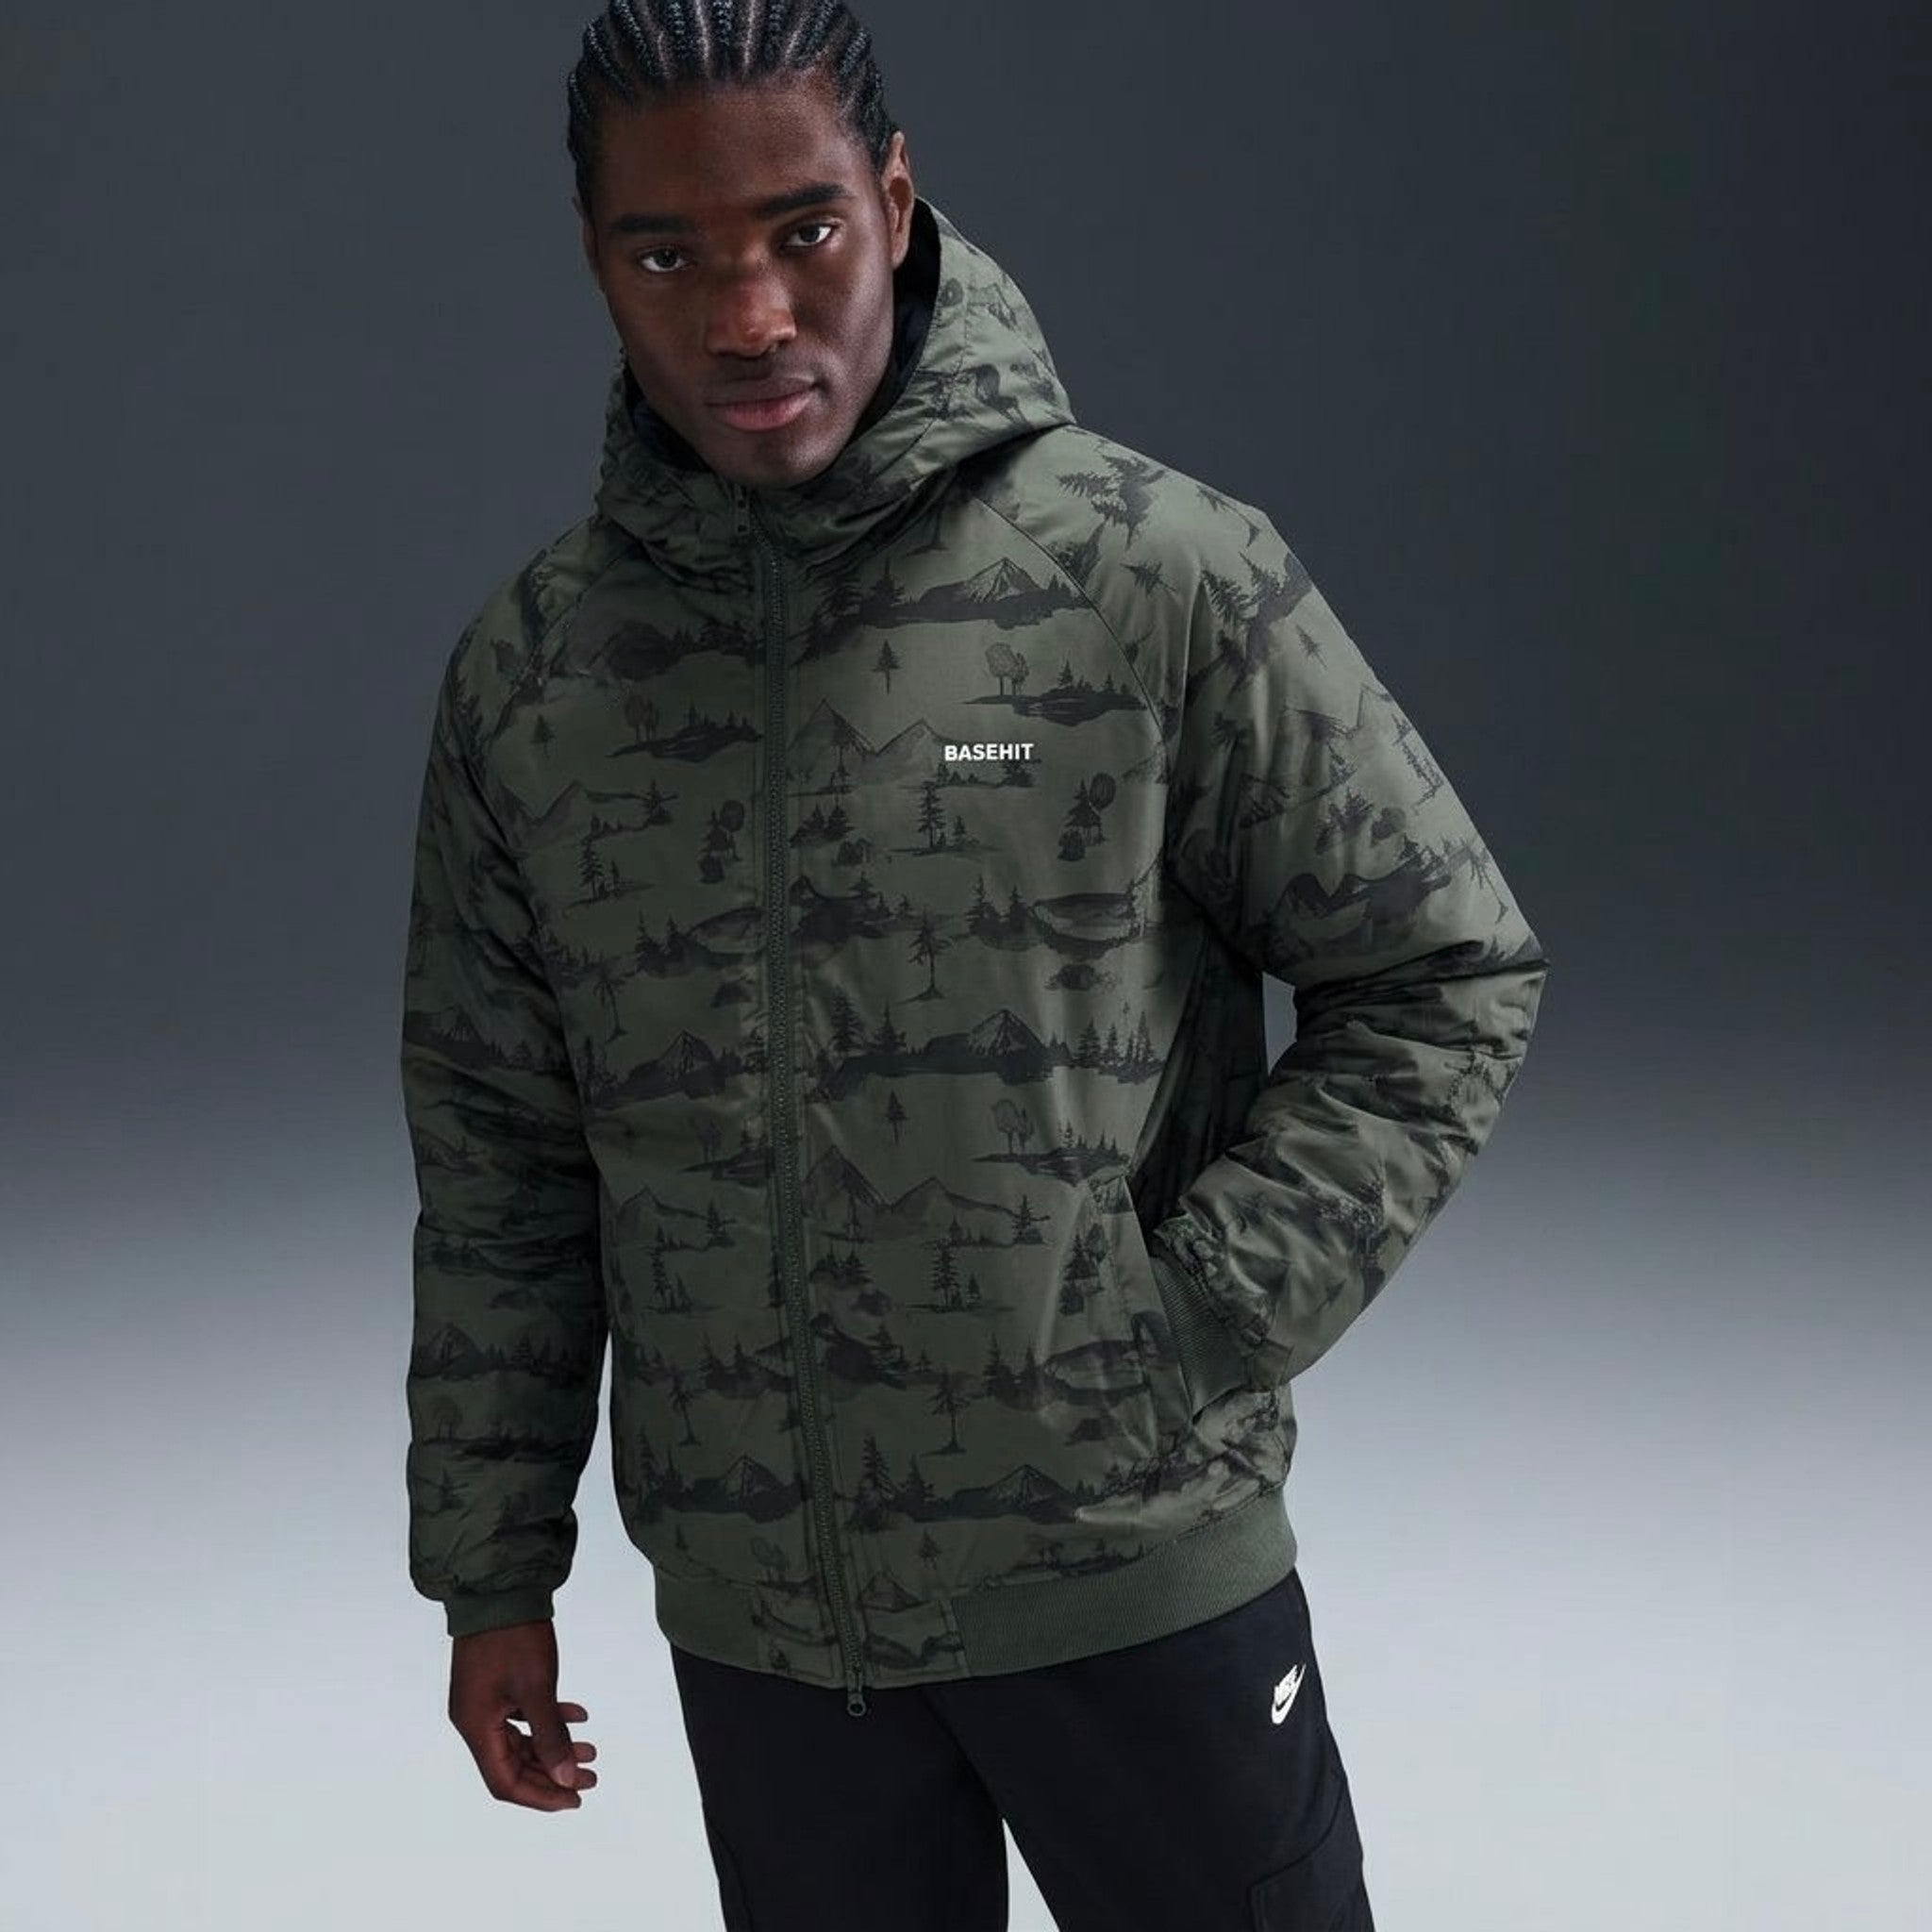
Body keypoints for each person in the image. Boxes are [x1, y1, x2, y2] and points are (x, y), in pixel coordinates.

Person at [398, 5, 1549, 1925]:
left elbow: (1443, 969)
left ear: (896, 197)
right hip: (767, 1627)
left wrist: (1184, 1326)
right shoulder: (535, 677)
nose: (747, 314)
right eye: (666, 254)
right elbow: (502, 1154)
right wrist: (491, 1569)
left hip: (1124, 1567)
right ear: (593, 260)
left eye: (802, 232)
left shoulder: (1148, 573)